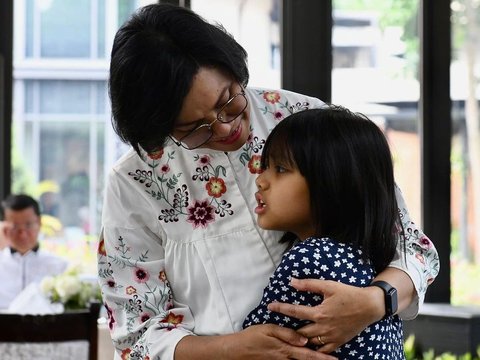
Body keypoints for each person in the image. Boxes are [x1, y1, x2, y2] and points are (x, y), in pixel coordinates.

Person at [97, 4, 439, 359]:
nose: (225, 127)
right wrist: (231, 350)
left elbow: (410, 247)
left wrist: (374, 301)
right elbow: (134, 336)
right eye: (194, 129)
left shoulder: (305, 120)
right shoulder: (135, 182)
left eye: (228, 100)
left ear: (233, 66)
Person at [243, 106, 406, 359]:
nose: (261, 180)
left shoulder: (309, 259)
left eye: (281, 169)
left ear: (332, 182)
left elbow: (255, 342)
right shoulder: (371, 256)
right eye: (265, 167)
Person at [0, 194, 68, 309]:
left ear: (39, 222)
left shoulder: (60, 267)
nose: (22, 234)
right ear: (4, 226)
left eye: (28, 225)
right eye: (15, 226)